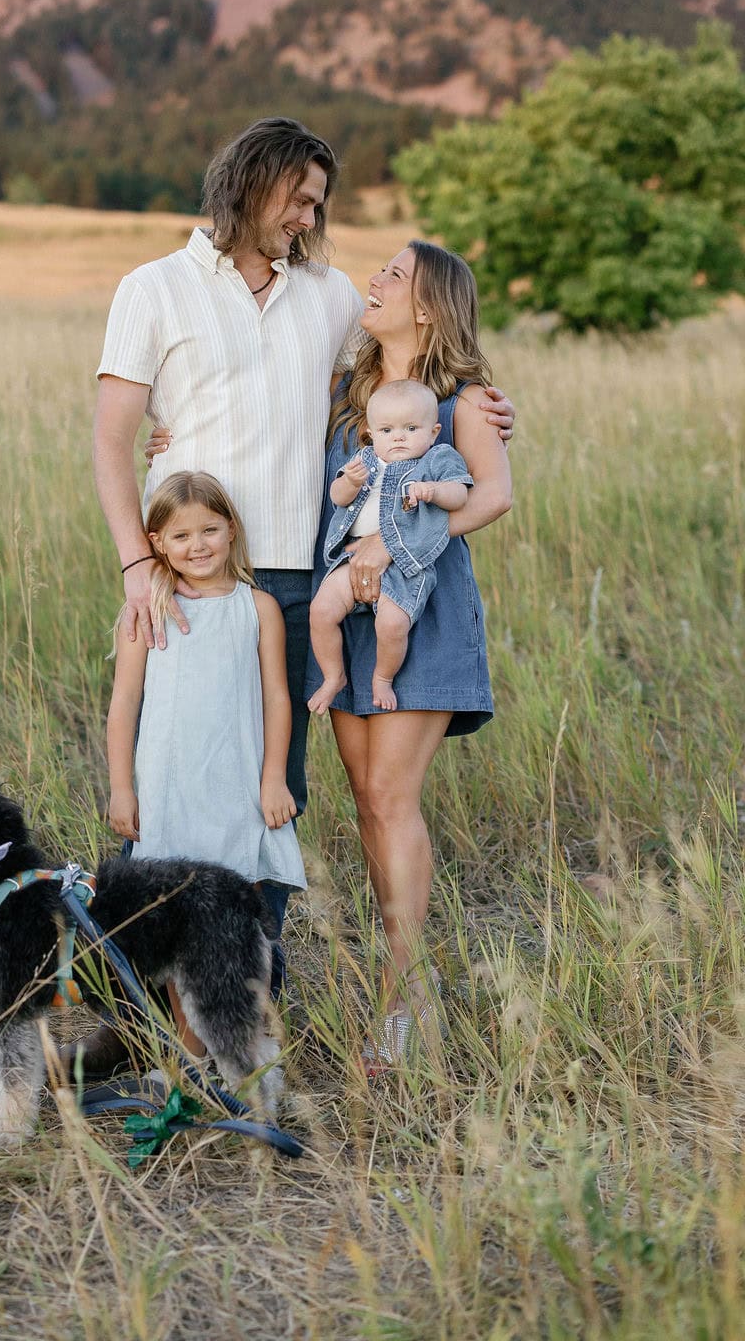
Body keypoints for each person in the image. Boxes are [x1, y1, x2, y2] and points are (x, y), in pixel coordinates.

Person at [83, 117, 514, 1080]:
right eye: (301, 199)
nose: (311, 219)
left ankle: (241, 1003)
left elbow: (405, 402)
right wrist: (135, 563)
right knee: (173, 785)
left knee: (273, 796)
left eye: (321, 204)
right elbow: (116, 436)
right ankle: (151, 1004)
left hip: (305, 581)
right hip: (194, 579)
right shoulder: (152, 289)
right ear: (253, 183)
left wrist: (480, 413)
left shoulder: (326, 300)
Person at [308, 239, 512, 1072]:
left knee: (392, 795)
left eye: (396, 274)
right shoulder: (344, 392)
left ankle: (405, 1000)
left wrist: (397, 544)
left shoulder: (462, 399)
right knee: (364, 796)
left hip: (414, 609)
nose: (376, 279)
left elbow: (494, 495)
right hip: (342, 611)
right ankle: (405, 984)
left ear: (427, 307)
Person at [106, 471, 305, 1060]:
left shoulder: (258, 606)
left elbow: (277, 698)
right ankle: (192, 1058)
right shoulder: (149, 608)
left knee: (235, 925)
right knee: (176, 924)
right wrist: (122, 788)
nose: (199, 545)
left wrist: (274, 779)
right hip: (171, 791)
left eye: (210, 530)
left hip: (237, 788)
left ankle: (240, 1049)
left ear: (231, 530)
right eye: (182, 535)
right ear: (157, 542)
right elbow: (124, 706)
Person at [308, 378, 472, 715]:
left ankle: (383, 678)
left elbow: (460, 494)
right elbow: (337, 497)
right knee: (321, 611)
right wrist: (349, 483)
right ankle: (332, 675)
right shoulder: (364, 460)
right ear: (370, 433)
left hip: (406, 566)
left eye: (411, 428)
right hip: (352, 559)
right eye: (386, 430)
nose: (398, 437)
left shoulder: (438, 459)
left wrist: (435, 491)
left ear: (433, 431)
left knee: (393, 623)